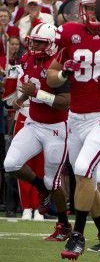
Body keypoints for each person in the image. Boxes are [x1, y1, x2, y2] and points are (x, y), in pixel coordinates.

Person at [46, 0, 100, 262]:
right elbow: (51, 77)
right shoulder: (71, 33)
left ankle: (78, 234)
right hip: (76, 117)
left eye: (97, 9)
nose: (92, 14)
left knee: (82, 169)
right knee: (86, 180)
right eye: (88, 8)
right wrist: (64, 72)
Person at [3, 23, 72, 242]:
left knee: (55, 182)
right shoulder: (28, 59)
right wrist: (19, 100)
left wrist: (39, 94)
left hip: (56, 128)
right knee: (11, 163)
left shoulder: (58, 65)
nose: (35, 46)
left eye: (41, 42)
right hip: (33, 123)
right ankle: (40, 188)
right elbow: (27, 86)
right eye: (33, 41)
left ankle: (63, 225)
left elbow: (65, 103)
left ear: (51, 45)